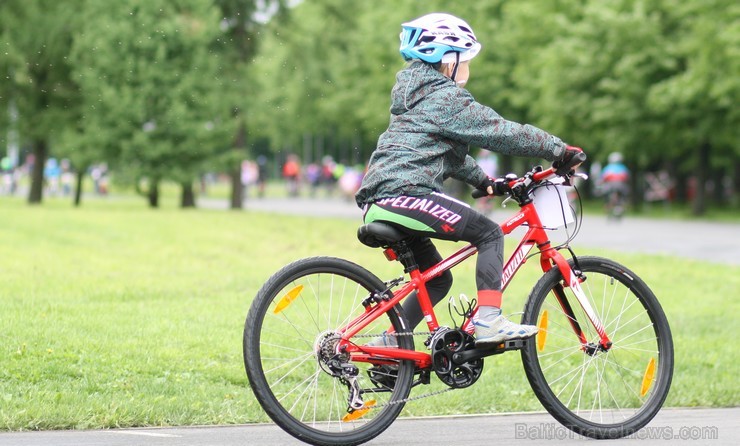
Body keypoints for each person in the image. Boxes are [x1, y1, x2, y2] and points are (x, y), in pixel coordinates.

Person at [355, 13, 584, 345]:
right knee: (490, 233)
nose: (467, 69)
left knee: (437, 280)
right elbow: (501, 132)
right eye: (466, 60)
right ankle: (489, 321)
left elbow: (447, 155)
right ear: (448, 61)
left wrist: (485, 181)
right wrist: (557, 150)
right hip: (407, 193)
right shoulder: (445, 97)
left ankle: (391, 343)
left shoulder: (413, 98)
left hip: (381, 200)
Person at [600, 152, 630, 219]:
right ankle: (622, 205)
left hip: (609, 185)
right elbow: (627, 177)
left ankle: (607, 207)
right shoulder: (623, 167)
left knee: (605, 195)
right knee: (624, 195)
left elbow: (602, 177)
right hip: (621, 185)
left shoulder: (608, 167)